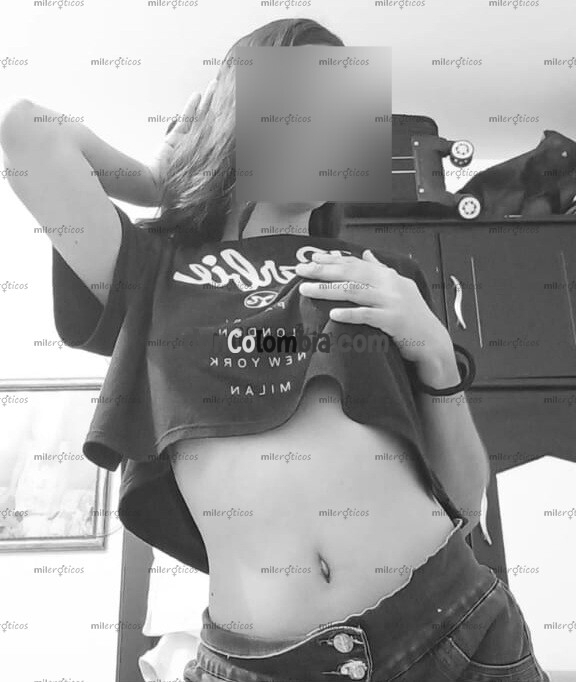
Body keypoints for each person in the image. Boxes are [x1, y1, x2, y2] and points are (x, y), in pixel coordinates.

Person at [0, 17, 549, 682]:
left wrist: (432, 348)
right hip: (261, 666)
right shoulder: (152, 266)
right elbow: (26, 132)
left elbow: (465, 498)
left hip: (452, 627)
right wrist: (163, 179)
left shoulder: (382, 273)